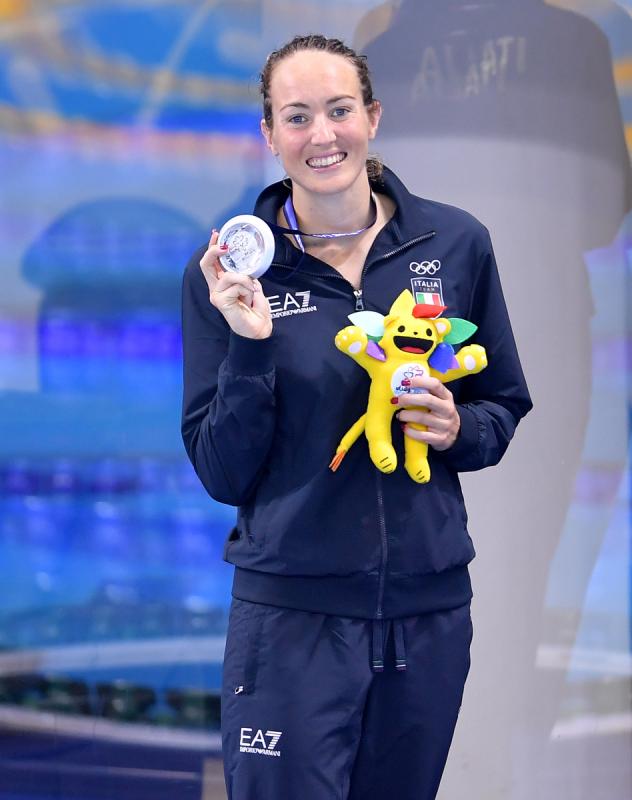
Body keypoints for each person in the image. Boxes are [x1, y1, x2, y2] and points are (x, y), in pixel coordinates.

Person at [181, 34, 531, 800]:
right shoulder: (233, 276)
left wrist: (457, 429)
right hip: (293, 621)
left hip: (429, 612)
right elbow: (221, 470)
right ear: (269, 134)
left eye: (339, 110)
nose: (322, 135)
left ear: (372, 117)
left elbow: (501, 402)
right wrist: (249, 348)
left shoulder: (456, 242)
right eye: (297, 116)